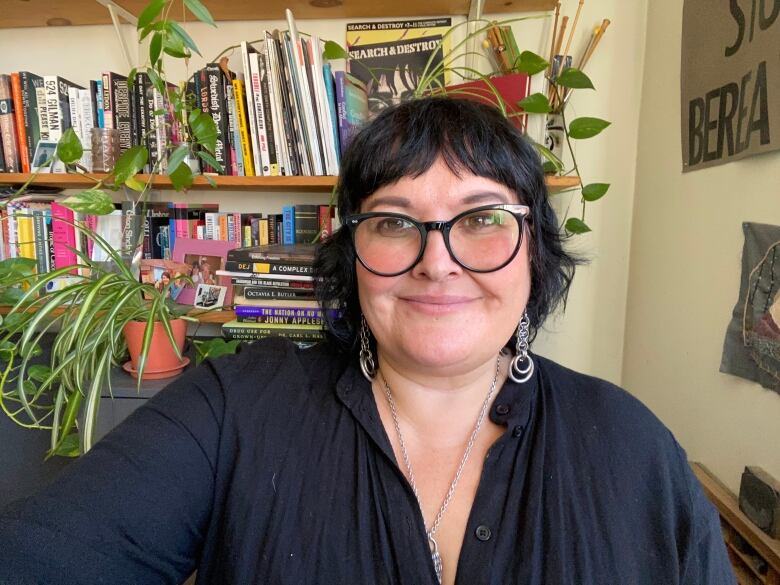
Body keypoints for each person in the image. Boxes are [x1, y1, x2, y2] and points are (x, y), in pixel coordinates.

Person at [0, 97, 734, 585]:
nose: (436, 262)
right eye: (392, 221)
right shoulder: (233, 408)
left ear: (533, 251)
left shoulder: (636, 447)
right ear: (351, 255)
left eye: (481, 218)